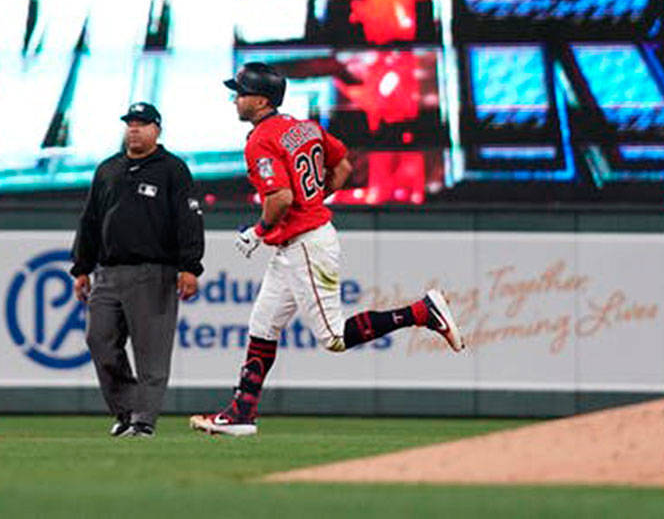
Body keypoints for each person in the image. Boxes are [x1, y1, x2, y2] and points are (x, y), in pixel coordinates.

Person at [189, 63, 464, 438]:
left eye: (241, 93)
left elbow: (281, 198)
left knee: (334, 337)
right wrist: (312, 200)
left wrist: (258, 231)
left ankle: (420, 312)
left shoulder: (260, 140)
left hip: (305, 243)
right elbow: (343, 166)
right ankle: (241, 413)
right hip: (298, 243)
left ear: (262, 100)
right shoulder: (305, 127)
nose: (235, 99)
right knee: (263, 326)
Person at [71, 102, 204, 439]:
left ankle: (143, 421)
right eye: (130, 123)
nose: (134, 129)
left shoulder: (172, 169)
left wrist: (189, 267)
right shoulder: (108, 169)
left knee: (151, 352)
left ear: (156, 130)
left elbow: (189, 219)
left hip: (152, 271)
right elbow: (90, 220)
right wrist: (81, 267)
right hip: (108, 272)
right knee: (99, 341)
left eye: (142, 123)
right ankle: (127, 411)